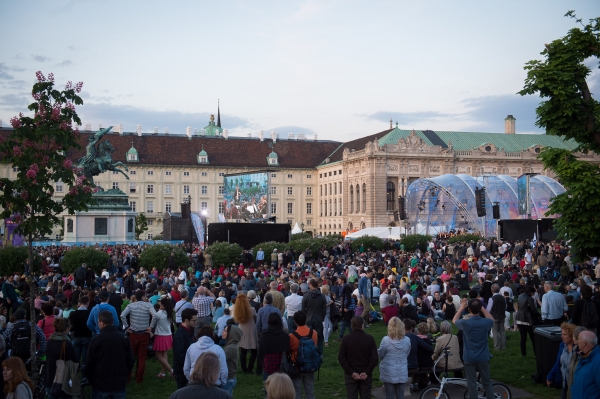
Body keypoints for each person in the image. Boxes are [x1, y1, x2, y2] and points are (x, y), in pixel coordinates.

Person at [85, 311, 134, 399]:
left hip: (100, 383)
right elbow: (130, 360)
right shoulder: (123, 338)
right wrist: (125, 375)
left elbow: (89, 362)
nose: (98, 324)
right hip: (118, 382)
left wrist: (91, 379)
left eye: (98, 322)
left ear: (102, 323)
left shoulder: (96, 339)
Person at [452, 298, 494, 399]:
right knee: (487, 382)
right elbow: (492, 319)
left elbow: (454, 320)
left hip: (469, 357)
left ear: (469, 309)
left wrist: (462, 307)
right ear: (480, 309)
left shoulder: (466, 323)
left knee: (471, 384)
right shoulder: (485, 322)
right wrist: (482, 308)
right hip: (483, 356)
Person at [120, 290, 157, 383]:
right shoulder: (149, 305)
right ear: (143, 296)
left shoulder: (131, 305)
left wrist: (127, 327)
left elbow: (122, 315)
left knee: (130, 356)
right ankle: (139, 378)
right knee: (142, 357)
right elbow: (155, 315)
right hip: (144, 334)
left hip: (133, 334)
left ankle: (127, 377)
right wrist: (151, 327)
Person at [338, 316, 378, 399]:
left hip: (351, 373)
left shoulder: (346, 339)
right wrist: (367, 372)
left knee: (352, 396)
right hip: (365, 373)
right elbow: (374, 358)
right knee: (366, 396)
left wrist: (351, 372)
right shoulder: (369, 338)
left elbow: (341, 358)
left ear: (352, 326)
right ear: (362, 325)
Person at [44, 318, 79, 399]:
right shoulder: (66, 343)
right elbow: (76, 362)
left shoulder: (49, 341)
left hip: (50, 378)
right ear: (66, 328)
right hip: (62, 382)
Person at [378, 317, 411, 399]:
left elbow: (381, 354)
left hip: (388, 371)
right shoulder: (407, 340)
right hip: (402, 370)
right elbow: (407, 353)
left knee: (389, 395)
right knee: (400, 395)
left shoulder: (385, 340)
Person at [289, 311, 318, 399]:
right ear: (306, 320)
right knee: (309, 391)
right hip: (310, 364)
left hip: (297, 366)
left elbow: (290, 350)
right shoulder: (314, 333)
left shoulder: (292, 336)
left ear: (295, 321)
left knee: (297, 391)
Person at [546, 322, 576, 399]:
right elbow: (558, 362)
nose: (562, 336)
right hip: (564, 381)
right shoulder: (562, 346)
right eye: (561, 334)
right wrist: (551, 375)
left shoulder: (578, 349)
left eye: (564, 334)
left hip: (575, 382)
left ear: (572, 335)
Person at [258, 313, 290, 381]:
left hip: (268, 364)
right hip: (281, 365)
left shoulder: (264, 335)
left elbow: (260, 352)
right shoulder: (285, 336)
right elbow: (288, 351)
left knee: (268, 387)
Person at [233, 293, 258, 375]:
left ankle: (244, 368)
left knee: (243, 351)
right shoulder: (252, 309)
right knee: (254, 350)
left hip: (242, 330)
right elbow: (255, 319)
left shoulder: (236, 310)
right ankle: (250, 369)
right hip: (251, 329)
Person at [570, 331, 600, 399]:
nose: (577, 342)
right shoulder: (583, 358)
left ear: (584, 343)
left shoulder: (598, 362)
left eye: (579, 339)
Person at [173, 308, 197, 389]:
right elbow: (180, 356)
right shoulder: (180, 335)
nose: (195, 322)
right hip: (182, 372)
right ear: (186, 320)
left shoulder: (189, 330)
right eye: (194, 320)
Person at [302, 279, 327, 355]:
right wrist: (322, 318)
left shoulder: (306, 296)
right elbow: (324, 310)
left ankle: (309, 353)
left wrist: (305, 318)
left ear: (311, 285)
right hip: (318, 318)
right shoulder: (322, 296)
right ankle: (319, 354)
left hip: (308, 319)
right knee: (319, 337)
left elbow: (303, 309)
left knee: (308, 337)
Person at [515, 286, 541, 357]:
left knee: (523, 338)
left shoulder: (520, 296)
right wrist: (539, 315)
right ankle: (536, 353)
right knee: (533, 338)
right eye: (533, 293)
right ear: (531, 292)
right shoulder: (530, 298)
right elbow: (533, 309)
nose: (534, 295)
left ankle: (523, 354)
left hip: (519, 319)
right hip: (527, 319)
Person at [152, 297, 174, 378]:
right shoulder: (169, 313)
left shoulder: (159, 313)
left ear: (164, 305)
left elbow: (153, 320)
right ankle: (163, 372)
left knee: (158, 355)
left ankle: (171, 370)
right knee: (164, 354)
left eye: (160, 304)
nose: (159, 305)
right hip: (168, 335)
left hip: (160, 335)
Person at [68, 296, 92, 370]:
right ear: (87, 303)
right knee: (85, 358)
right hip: (87, 336)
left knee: (75, 356)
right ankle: (84, 375)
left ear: (79, 303)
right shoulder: (89, 313)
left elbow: (70, 326)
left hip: (76, 336)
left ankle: (74, 373)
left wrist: (71, 331)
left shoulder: (73, 314)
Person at [222, 324, 243, 396]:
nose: (222, 332)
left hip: (228, 378)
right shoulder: (232, 346)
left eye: (225, 331)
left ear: (231, 334)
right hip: (232, 377)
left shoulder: (229, 348)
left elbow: (220, 360)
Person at [486, 283, 507, 350]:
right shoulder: (503, 298)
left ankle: (497, 346)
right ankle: (503, 346)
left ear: (492, 290)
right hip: (502, 316)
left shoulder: (491, 299)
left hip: (494, 316)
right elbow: (506, 306)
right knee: (502, 332)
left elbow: (488, 309)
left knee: (495, 332)